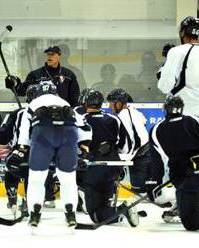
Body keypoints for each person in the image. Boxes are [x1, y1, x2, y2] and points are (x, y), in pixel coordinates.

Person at [13, 80, 92, 229]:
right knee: (68, 179)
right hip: (68, 135)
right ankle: (70, 214)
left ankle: (34, 213)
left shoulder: (33, 103)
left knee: (37, 178)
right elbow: (84, 127)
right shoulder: (65, 103)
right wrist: (84, 148)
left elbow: (24, 130)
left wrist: (21, 150)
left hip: (43, 133)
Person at [148, 96, 199, 234]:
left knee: (190, 223)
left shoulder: (156, 130)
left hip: (184, 180)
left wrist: (154, 183)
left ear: (166, 109)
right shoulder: (194, 120)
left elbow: (157, 163)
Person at [80, 89, 138, 227]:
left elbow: (78, 147)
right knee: (103, 205)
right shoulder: (114, 119)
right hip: (113, 167)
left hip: (94, 168)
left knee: (95, 215)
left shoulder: (81, 120)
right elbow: (125, 145)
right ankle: (121, 213)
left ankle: (124, 209)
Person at [157, 16, 199, 119]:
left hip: (181, 112)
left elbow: (164, 87)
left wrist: (162, 70)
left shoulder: (176, 52)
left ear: (182, 32)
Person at [0, 84, 38, 214]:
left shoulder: (17, 113)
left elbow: (2, 136)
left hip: (19, 152)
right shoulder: (49, 115)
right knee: (33, 177)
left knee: (12, 164)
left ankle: (12, 193)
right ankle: (29, 200)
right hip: (41, 154)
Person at [107, 88, 151, 194]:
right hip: (146, 152)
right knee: (143, 189)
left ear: (119, 104)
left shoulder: (120, 118)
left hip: (141, 156)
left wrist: (119, 162)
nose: (109, 106)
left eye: (111, 103)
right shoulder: (134, 112)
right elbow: (144, 121)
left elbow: (129, 146)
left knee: (140, 191)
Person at [5, 45, 80, 107]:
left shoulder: (69, 75)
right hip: (41, 114)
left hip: (63, 114)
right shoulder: (35, 75)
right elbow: (22, 91)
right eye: (48, 54)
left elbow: (75, 98)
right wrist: (14, 84)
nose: (49, 57)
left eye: (52, 54)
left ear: (59, 56)